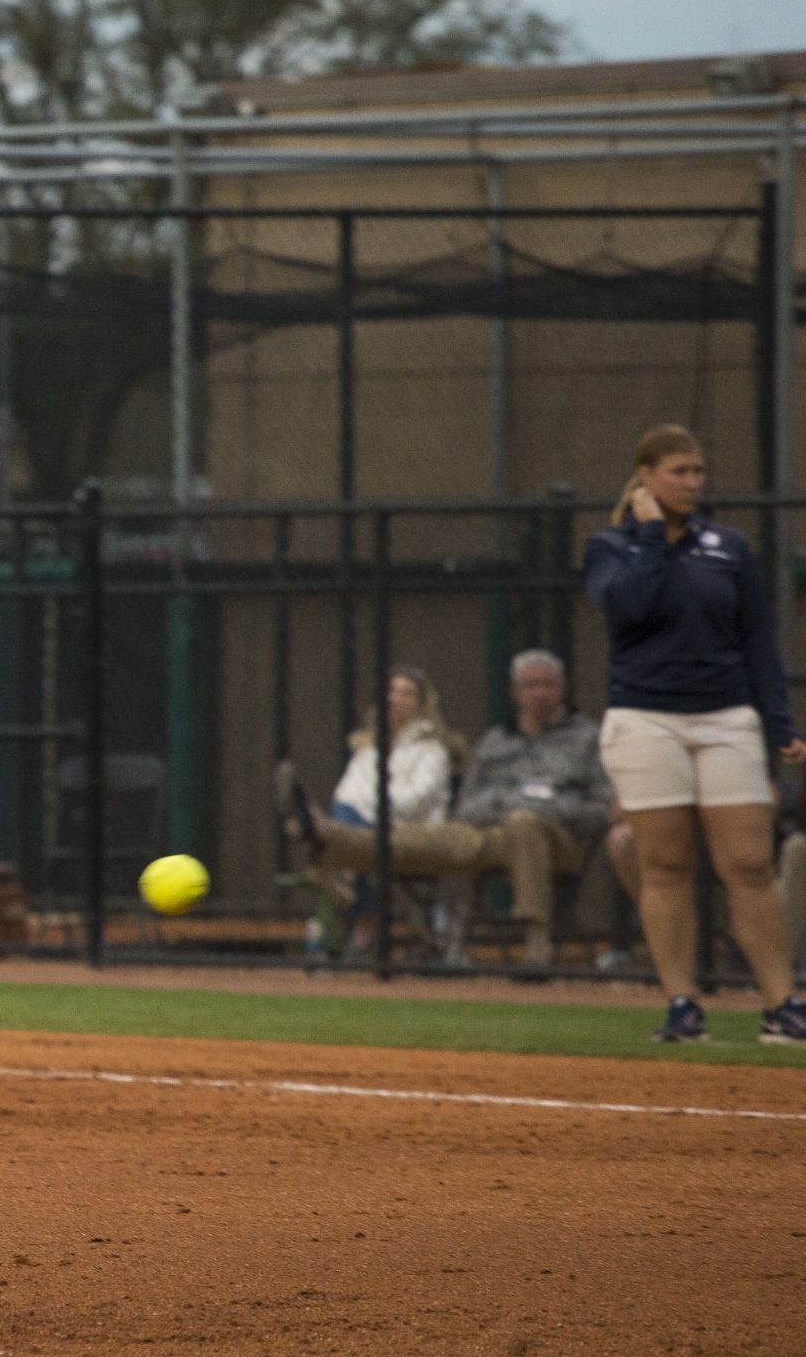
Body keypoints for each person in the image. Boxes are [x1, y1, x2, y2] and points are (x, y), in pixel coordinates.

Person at [585, 424, 806, 1043]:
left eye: (697, 471)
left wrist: (779, 721)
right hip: (646, 718)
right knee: (665, 865)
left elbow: (758, 639)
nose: (692, 482)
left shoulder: (727, 548)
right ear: (646, 477)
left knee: (750, 864)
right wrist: (652, 535)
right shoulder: (611, 547)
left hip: (726, 715)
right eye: (679, 471)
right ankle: (682, 1004)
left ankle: (781, 1004)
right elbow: (627, 609)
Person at [280, 652, 609, 966]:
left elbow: (602, 806)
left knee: (525, 823)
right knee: (429, 838)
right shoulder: (497, 741)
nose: (539, 693)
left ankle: (537, 944)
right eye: (530, 685)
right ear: (515, 692)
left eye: (547, 684)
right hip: (492, 831)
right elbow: (467, 805)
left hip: (556, 838)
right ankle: (329, 837)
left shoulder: (586, 739)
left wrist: (548, 808)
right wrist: (501, 806)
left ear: (562, 688)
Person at [276, 666, 460, 954]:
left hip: (412, 834)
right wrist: (367, 807)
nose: (396, 699)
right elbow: (345, 794)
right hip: (363, 831)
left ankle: (324, 851)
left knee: (338, 837)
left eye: (406, 693)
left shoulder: (432, 751)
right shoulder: (368, 749)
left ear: (423, 704)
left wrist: (369, 805)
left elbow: (414, 802)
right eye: (391, 691)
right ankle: (347, 894)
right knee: (349, 824)